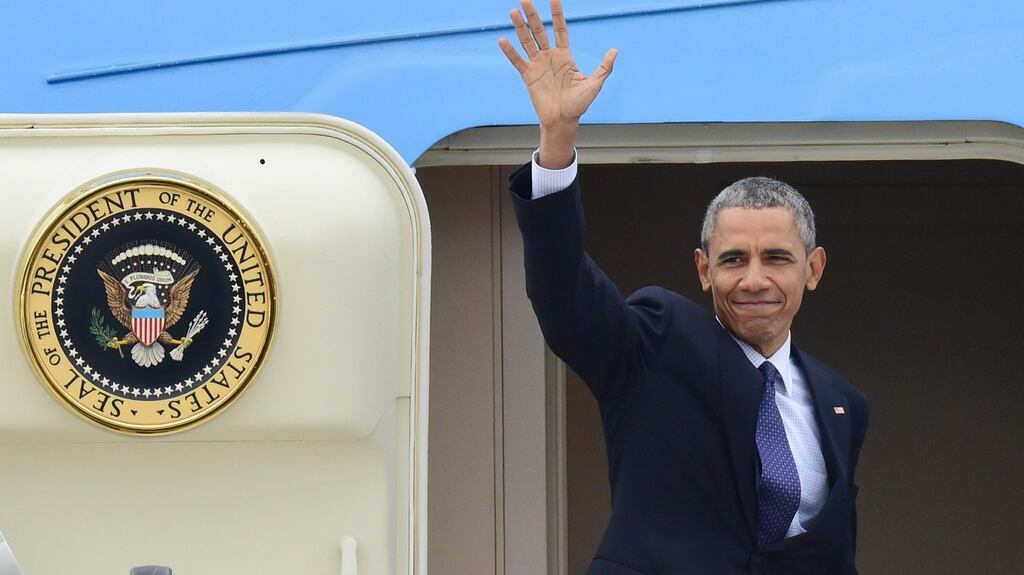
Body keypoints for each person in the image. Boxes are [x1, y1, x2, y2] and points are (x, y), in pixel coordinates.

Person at [498, 1, 869, 574]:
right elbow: (562, 292)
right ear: (703, 269)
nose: (753, 279)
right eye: (732, 259)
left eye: (776, 258)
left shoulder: (843, 403)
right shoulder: (656, 342)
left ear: (813, 269)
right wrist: (557, 140)